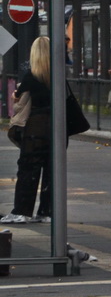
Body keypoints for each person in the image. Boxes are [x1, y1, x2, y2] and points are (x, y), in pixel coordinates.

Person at [2, 36, 58, 224]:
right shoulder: (58, 75)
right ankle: (46, 211)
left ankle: (22, 211)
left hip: (36, 128)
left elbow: (17, 97)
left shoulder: (31, 76)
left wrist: (15, 94)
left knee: (28, 169)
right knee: (51, 170)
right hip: (56, 128)